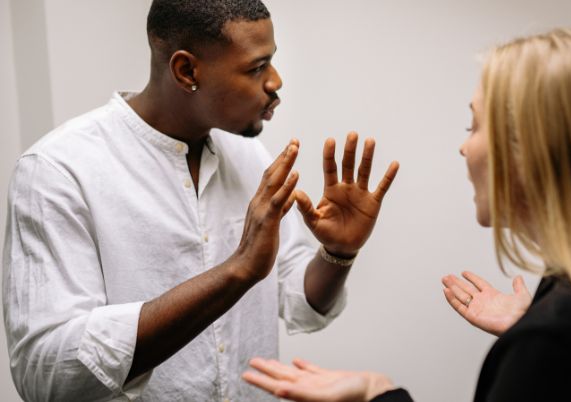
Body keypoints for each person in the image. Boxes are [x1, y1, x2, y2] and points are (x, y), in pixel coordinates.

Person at [241, 29, 571, 402]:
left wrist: (381, 395)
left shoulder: (558, 338)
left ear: (530, 149)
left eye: (474, 125)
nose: (464, 149)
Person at [2, 1, 399, 401]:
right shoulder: (59, 171)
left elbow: (300, 301)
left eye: (271, 62)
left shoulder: (250, 158)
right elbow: (47, 373)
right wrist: (235, 271)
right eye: (256, 67)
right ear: (187, 70)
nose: (276, 81)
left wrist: (338, 252)